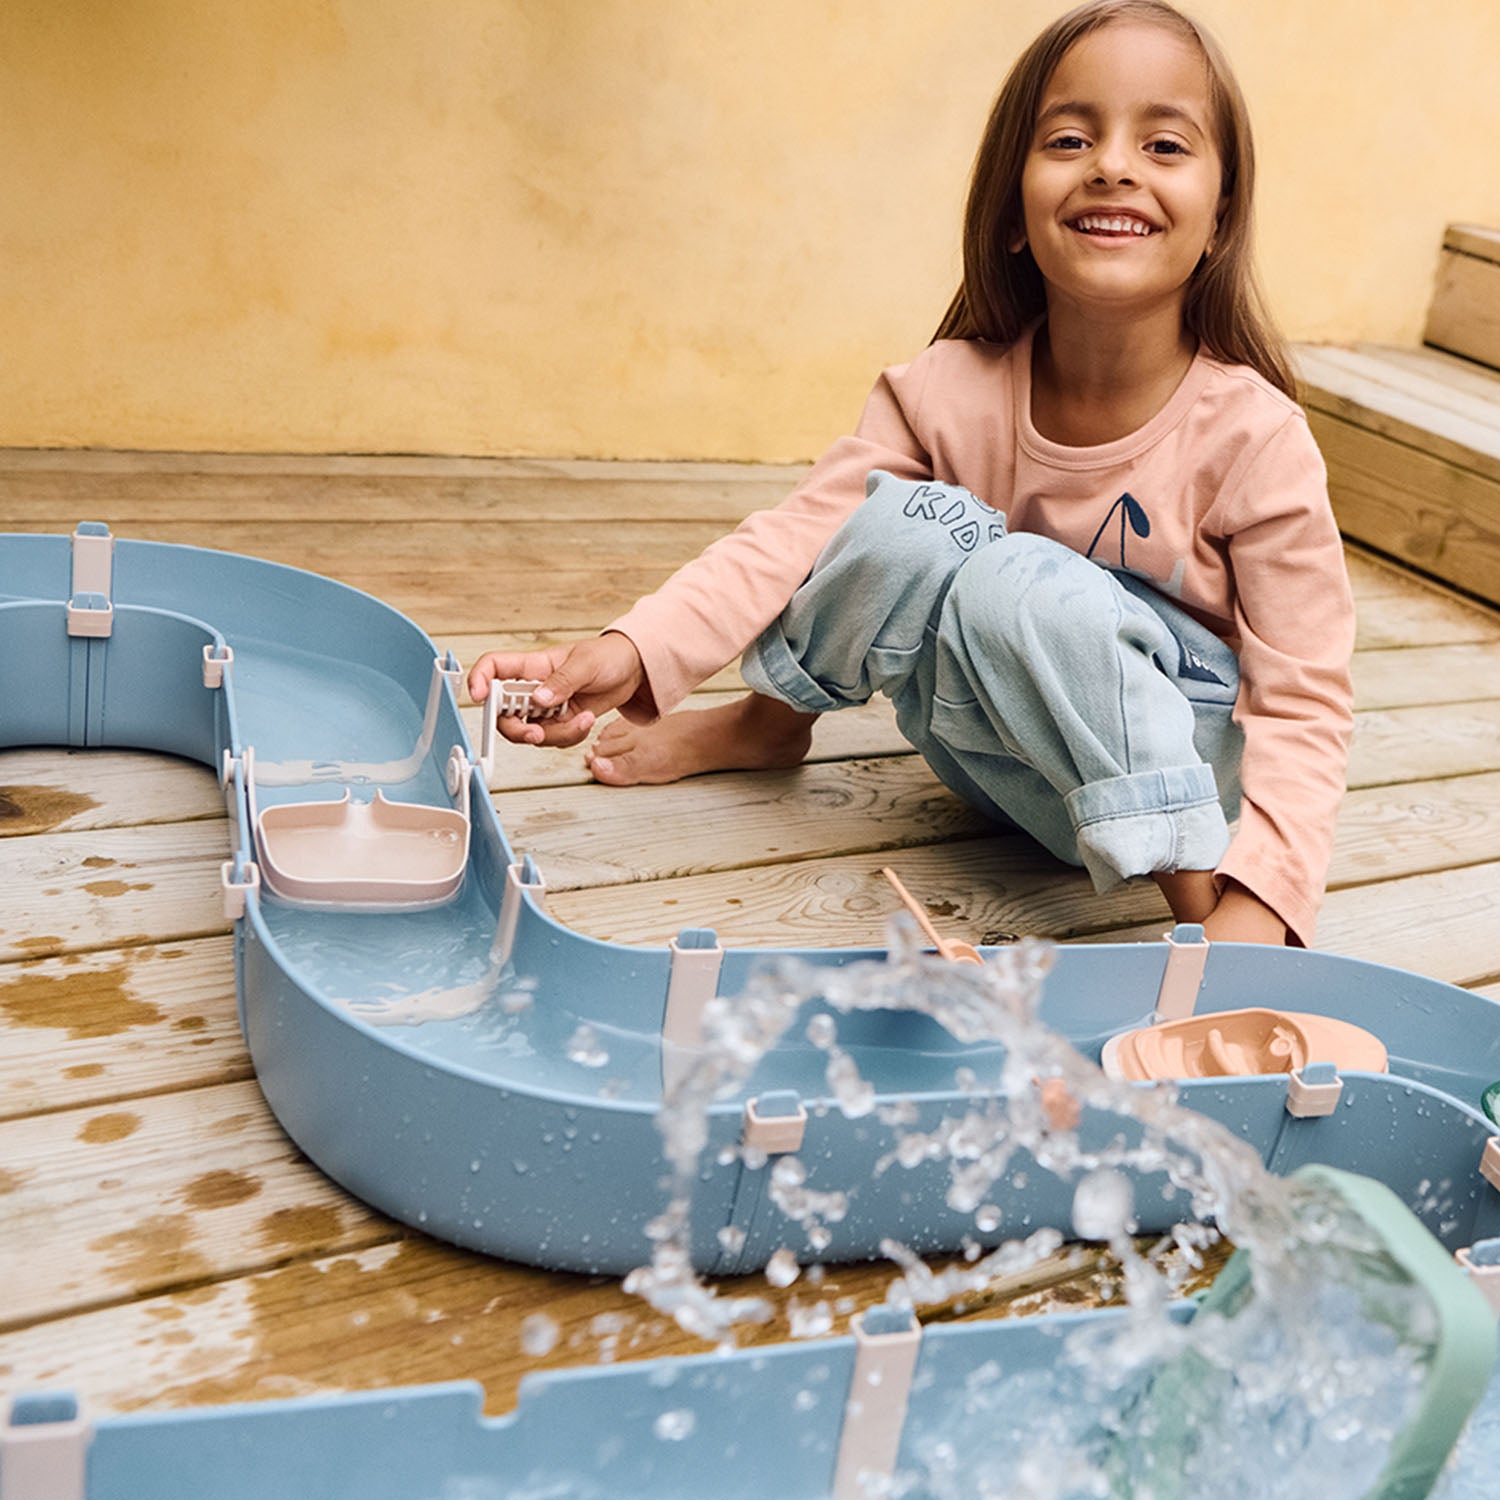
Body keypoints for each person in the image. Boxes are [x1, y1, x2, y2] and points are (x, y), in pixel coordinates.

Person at [469, 0, 1354, 950]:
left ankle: (1203, 912)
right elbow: (798, 536)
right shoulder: (943, 390)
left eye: (1166, 145)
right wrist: (632, 650)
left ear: (1221, 219)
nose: (1114, 164)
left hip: (1184, 793)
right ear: (1013, 211)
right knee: (901, 523)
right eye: (1069, 136)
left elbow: (1305, 695)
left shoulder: (1256, 437)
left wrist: (1260, 906)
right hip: (1009, 765)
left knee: (1020, 579)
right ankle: (771, 723)